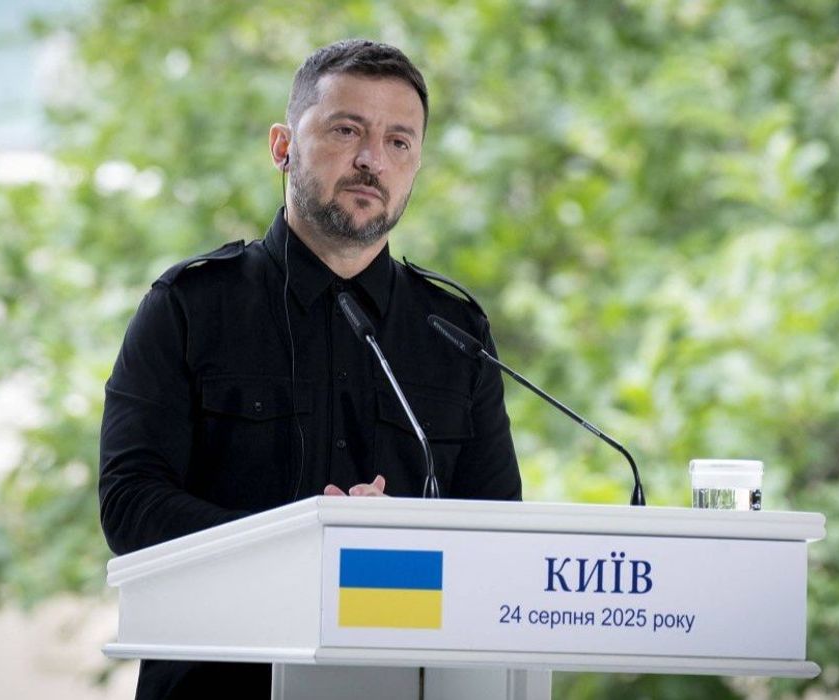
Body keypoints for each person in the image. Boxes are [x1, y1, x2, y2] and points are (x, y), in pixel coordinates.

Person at [98, 39, 522, 699]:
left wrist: (393, 539)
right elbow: (130, 507)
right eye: (345, 129)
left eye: (398, 142)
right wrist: (300, 537)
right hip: (215, 684)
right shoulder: (189, 307)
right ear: (281, 146)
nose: (369, 160)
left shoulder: (454, 333)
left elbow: (497, 530)